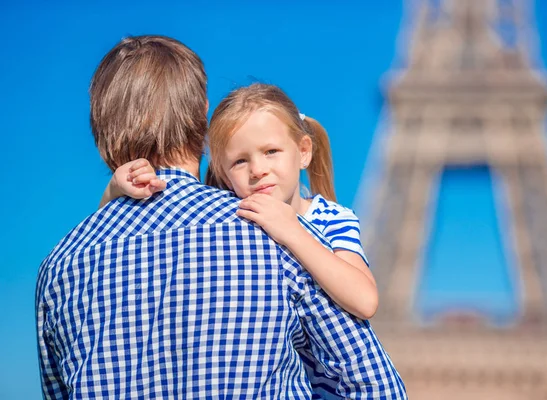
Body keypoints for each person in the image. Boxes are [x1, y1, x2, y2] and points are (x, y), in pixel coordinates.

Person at [36, 35, 407, 399]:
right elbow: (376, 387)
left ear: (101, 129)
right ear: (203, 120)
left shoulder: (59, 267)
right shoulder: (270, 232)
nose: (258, 170)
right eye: (243, 160)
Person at [105, 83, 378, 321]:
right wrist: (114, 190)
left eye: (271, 151)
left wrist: (293, 232)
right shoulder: (229, 219)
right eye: (240, 161)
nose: (257, 169)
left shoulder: (333, 218)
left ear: (304, 151)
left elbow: (365, 301)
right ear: (224, 175)